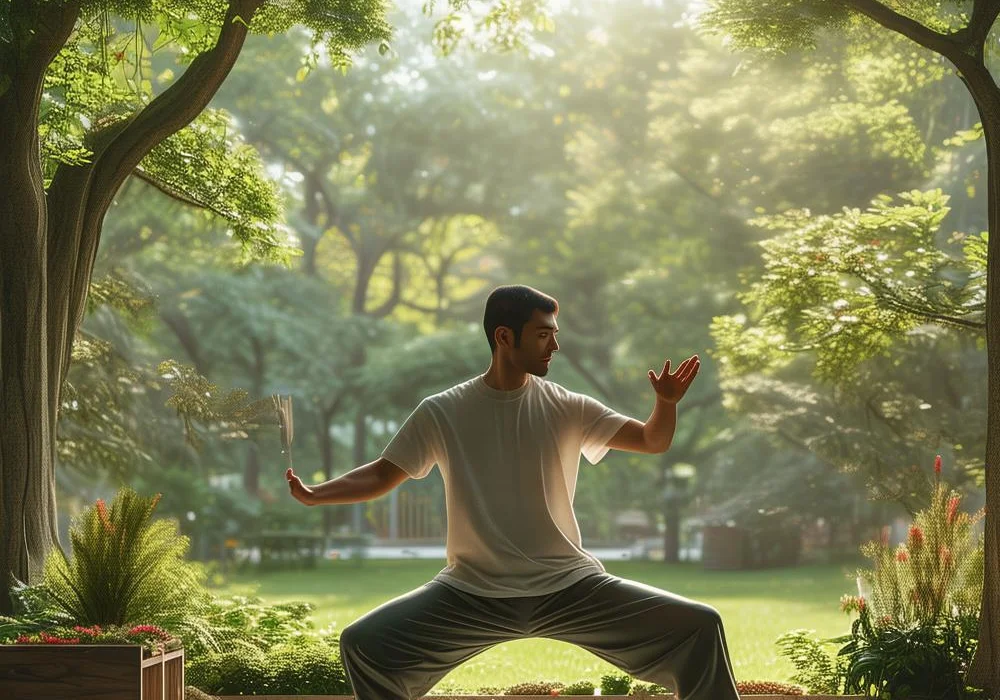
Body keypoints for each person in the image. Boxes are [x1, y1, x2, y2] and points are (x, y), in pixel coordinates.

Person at [286, 284, 741, 700]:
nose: (556, 345)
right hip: (470, 591)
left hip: (571, 587)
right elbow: (383, 475)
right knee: (365, 646)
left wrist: (665, 405)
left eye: (555, 334)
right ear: (505, 337)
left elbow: (651, 440)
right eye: (544, 335)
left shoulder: (567, 406)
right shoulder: (443, 411)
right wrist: (315, 494)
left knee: (700, 627)